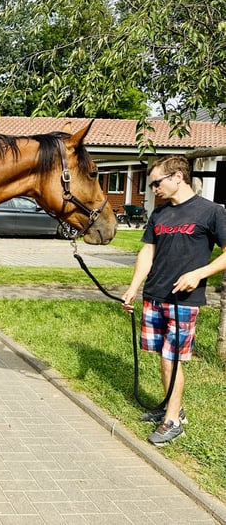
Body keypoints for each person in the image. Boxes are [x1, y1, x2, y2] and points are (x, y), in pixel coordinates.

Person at [122, 155, 226, 446]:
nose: (153, 188)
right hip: (155, 296)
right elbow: (147, 253)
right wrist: (133, 288)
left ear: (178, 177)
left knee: (172, 360)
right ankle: (171, 406)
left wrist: (200, 273)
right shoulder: (159, 214)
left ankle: (173, 421)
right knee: (162, 358)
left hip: (185, 300)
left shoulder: (211, 212)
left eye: (157, 182)